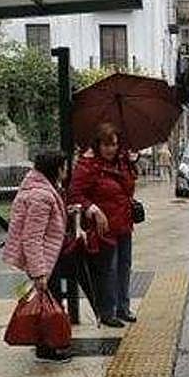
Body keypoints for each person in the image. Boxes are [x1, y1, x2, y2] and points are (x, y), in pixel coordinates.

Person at [3, 151, 73, 362]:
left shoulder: (40, 189)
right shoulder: (41, 195)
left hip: (48, 256)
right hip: (44, 260)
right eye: (65, 166)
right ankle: (47, 348)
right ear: (57, 169)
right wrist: (39, 272)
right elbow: (31, 237)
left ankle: (49, 344)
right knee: (47, 305)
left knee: (48, 303)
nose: (67, 171)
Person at [69, 123, 137, 328]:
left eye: (114, 144)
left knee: (124, 267)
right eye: (106, 145)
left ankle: (123, 308)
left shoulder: (122, 161)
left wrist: (131, 163)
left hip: (124, 223)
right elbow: (74, 194)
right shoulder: (88, 166)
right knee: (108, 270)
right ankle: (108, 311)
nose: (111, 149)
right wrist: (92, 209)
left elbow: (128, 188)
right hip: (103, 229)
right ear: (98, 145)